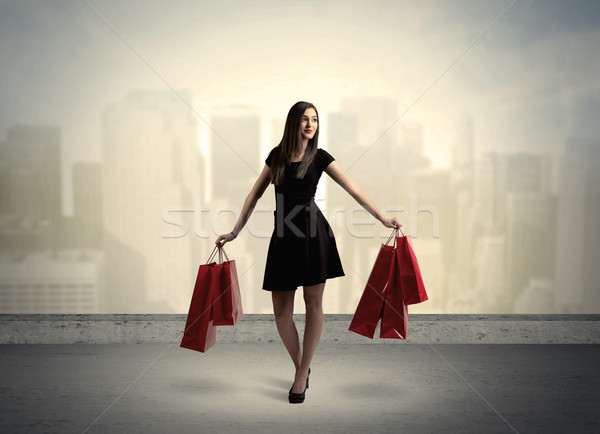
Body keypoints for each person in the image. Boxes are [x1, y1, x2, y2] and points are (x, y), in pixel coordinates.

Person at [215, 101, 402, 404]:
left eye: (314, 119)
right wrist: (235, 231)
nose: (310, 124)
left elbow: (353, 188)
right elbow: (254, 194)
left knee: (313, 306)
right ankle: (302, 364)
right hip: (283, 238)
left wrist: (382, 217)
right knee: (281, 314)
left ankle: (300, 376)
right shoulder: (276, 157)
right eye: (304, 119)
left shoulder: (320, 157)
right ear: (294, 122)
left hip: (315, 236)